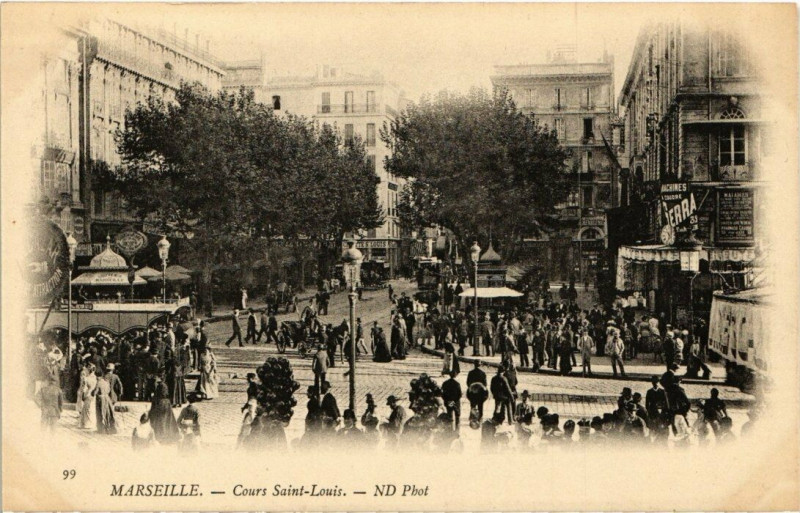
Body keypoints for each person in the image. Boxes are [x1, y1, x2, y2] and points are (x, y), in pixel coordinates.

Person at [94, 368, 117, 435]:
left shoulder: (99, 382)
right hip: (107, 398)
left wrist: (93, 393)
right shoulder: (106, 382)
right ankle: (110, 428)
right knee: (108, 413)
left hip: (100, 399)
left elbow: (95, 392)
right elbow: (109, 390)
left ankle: (101, 429)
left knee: (101, 413)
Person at [79, 363, 97, 429]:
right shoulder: (96, 378)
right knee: (92, 409)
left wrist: (83, 396)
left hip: (88, 394)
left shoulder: (86, 379)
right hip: (93, 395)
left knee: (86, 409)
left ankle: (86, 424)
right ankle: (93, 423)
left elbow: (84, 388)